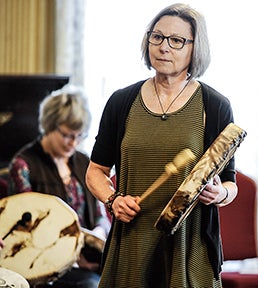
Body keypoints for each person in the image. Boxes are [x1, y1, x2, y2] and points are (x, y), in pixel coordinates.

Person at [85, 3, 237, 288]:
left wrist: (218, 194)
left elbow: (230, 185)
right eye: (157, 36)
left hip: (188, 246)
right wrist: (113, 199)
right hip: (131, 240)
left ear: (195, 48)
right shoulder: (122, 102)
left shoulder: (215, 106)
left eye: (177, 41)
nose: (164, 47)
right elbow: (95, 172)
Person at [8, 85, 111, 288]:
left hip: (87, 259)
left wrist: (99, 232)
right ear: (49, 125)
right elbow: (25, 230)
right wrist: (70, 257)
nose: (73, 143)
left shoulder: (84, 162)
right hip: (42, 262)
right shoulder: (23, 164)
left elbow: (100, 214)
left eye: (80, 136)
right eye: (67, 135)